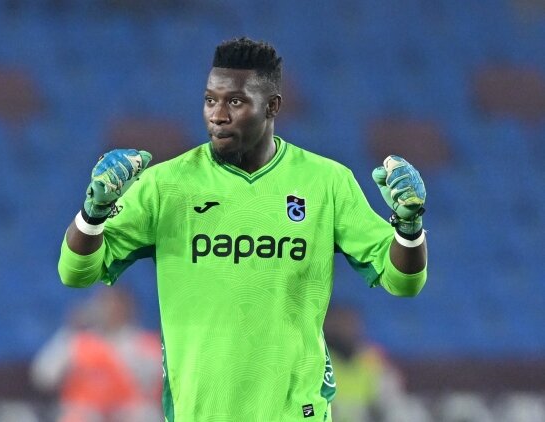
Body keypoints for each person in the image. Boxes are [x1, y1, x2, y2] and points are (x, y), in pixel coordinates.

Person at [58, 37, 428, 421]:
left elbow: (404, 280)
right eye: (210, 100)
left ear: (272, 106)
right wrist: (93, 213)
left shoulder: (327, 183)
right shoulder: (165, 186)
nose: (218, 115)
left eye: (235, 101)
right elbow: (75, 271)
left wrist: (409, 226)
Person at [31, 287, 162, 422]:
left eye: (113, 303)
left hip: (127, 412)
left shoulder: (143, 344)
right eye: (103, 303)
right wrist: (70, 330)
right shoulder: (77, 341)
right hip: (85, 412)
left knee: (147, 414)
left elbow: (153, 384)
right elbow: (43, 376)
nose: (107, 309)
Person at [323, 305, 406, 422]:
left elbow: (390, 395)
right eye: (338, 325)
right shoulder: (315, 360)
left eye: (350, 324)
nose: (345, 329)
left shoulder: (371, 357)